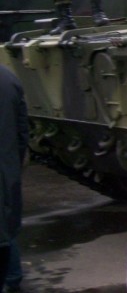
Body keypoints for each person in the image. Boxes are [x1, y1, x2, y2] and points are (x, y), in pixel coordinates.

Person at [0, 66, 28, 291]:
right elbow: (22, 130)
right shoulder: (9, 77)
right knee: (7, 227)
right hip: (6, 167)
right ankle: (13, 277)